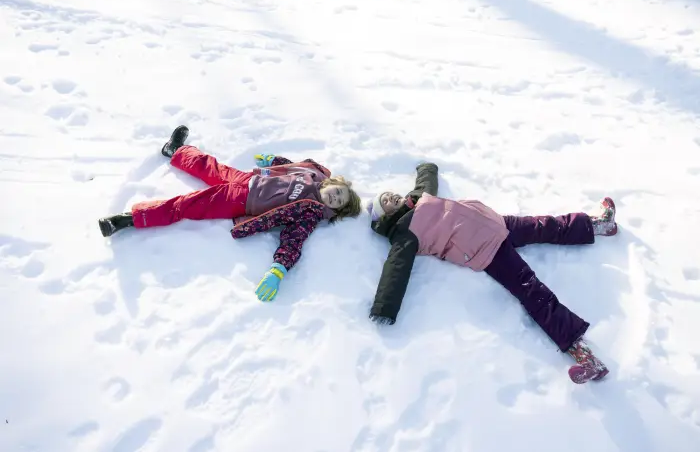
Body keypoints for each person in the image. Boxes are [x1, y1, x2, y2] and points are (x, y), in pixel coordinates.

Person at [366, 162, 617, 384]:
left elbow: (426, 180)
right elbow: (396, 269)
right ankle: (584, 354)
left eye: (388, 194)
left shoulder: (418, 197)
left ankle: (598, 224)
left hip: (495, 222)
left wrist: (426, 167)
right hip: (486, 249)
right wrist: (384, 308)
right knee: (532, 291)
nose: (389, 197)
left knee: (547, 225)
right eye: (384, 202)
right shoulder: (403, 234)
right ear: (385, 216)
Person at [98, 125, 362, 301]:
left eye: (338, 202)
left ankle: (129, 219)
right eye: (338, 191)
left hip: (242, 199)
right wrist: (273, 161)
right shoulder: (314, 175)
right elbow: (292, 167)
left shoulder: (311, 212)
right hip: (248, 178)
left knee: (186, 204)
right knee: (207, 166)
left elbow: (295, 238)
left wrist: (279, 269)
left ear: (335, 210)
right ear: (334, 183)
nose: (335, 196)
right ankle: (175, 150)